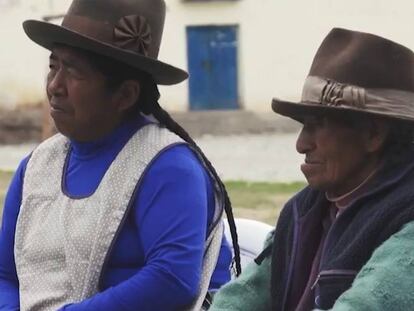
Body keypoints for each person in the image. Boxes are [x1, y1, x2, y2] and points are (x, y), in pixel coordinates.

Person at [0, 0, 242, 310]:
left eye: (74, 72)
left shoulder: (168, 166)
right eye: (53, 66)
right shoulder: (35, 168)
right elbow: (6, 274)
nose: (55, 86)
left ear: (125, 94)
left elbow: (172, 280)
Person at [210, 28, 414, 310]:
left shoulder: (406, 218)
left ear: (372, 135)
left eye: (317, 125)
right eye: (303, 125)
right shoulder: (303, 211)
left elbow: (368, 303)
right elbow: (244, 296)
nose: (301, 144)